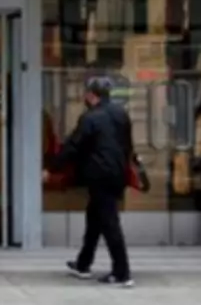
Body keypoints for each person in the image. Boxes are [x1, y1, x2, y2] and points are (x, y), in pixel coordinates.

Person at [46, 75, 135, 288]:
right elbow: (128, 146)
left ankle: (122, 273)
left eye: (86, 93)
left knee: (109, 223)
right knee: (94, 219)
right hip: (117, 173)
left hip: (99, 175)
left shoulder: (90, 118)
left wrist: (52, 168)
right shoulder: (121, 114)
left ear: (91, 95)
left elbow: (73, 147)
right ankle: (83, 264)